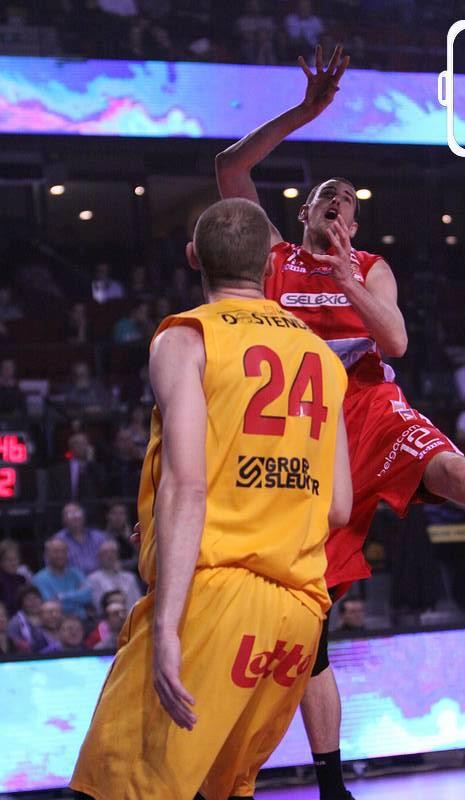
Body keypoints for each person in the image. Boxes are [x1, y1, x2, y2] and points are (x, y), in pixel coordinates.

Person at [216, 44, 465, 800]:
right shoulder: (273, 258)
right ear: (303, 211)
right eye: (326, 197)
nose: (338, 204)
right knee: (311, 623)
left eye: (349, 202)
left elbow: (394, 343)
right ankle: (331, 783)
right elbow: (228, 169)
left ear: (355, 222)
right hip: (303, 437)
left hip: (372, 411)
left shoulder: (369, 266)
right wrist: (305, 112)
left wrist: (348, 277)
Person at [71, 197, 352, 800]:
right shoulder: (324, 358)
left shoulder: (187, 337)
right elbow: (338, 507)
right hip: (297, 617)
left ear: (193, 256)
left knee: (112, 786)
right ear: (270, 264)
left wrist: (168, 626)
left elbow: (188, 485)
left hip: (214, 601)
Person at [33, 537, 93, 621]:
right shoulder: (39, 579)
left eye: (63, 551)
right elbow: (51, 604)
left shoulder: (76, 573)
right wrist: (77, 597)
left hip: (82, 619)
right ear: (47, 555)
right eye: (56, 551)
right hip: (57, 622)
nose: (60, 555)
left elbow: (88, 596)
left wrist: (62, 596)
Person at [86, 539, 141, 613]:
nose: (110, 556)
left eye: (113, 552)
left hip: (132, 616)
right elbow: (97, 606)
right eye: (105, 553)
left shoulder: (130, 578)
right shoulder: (93, 579)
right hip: (107, 617)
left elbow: (138, 602)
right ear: (99, 557)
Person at [54, 502, 109, 576]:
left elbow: (111, 561)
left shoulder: (100, 537)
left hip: (100, 579)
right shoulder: (58, 540)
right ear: (64, 519)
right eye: (70, 514)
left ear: (84, 516)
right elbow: (53, 568)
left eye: (78, 513)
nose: (75, 517)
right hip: (72, 580)